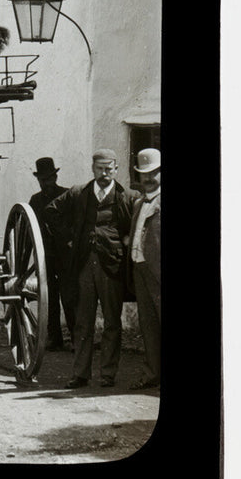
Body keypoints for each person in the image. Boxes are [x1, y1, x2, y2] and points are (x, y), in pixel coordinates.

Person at [45, 149, 136, 389]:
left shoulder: (127, 196)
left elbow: (136, 224)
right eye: (100, 169)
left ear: (116, 169)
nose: (104, 173)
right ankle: (80, 374)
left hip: (112, 266)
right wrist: (69, 238)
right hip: (84, 265)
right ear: (93, 169)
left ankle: (108, 374)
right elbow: (51, 211)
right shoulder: (78, 193)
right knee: (82, 322)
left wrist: (126, 238)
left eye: (109, 169)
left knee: (111, 322)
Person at [27, 157, 73, 351]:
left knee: (70, 297)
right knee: (49, 298)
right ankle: (55, 338)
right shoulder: (35, 201)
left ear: (55, 176)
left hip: (66, 256)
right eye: (43, 180)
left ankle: (77, 337)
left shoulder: (67, 195)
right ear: (38, 180)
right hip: (45, 256)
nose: (47, 183)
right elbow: (30, 230)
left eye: (49, 178)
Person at [128, 148, 161, 390]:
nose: (148, 179)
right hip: (140, 270)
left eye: (154, 173)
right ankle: (152, 374)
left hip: (159, 271)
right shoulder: (139, 203)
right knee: (148, 325)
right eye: (144, 174)